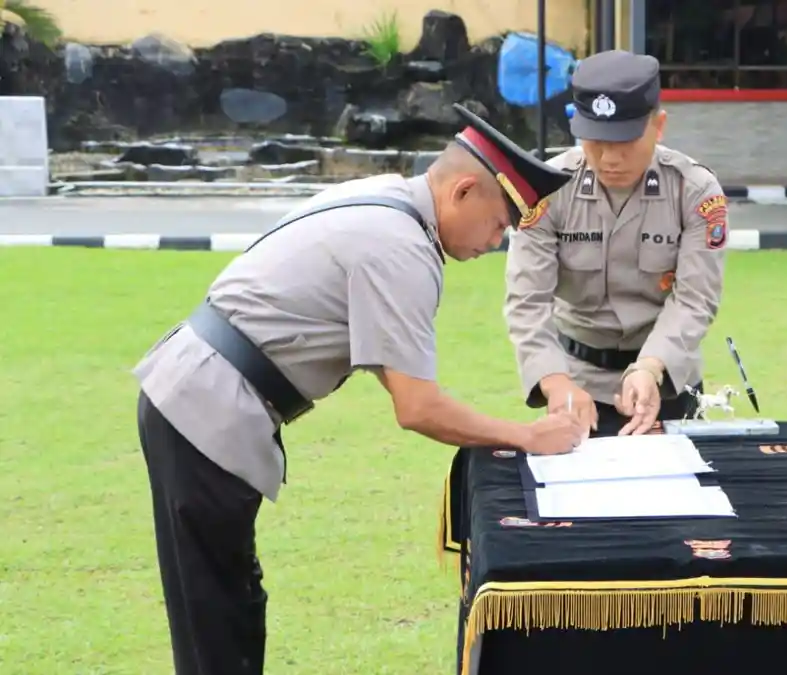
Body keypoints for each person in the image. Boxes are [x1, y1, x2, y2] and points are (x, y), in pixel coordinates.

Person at [132, 103, 587, 675]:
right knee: (215, 615)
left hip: (198, 389)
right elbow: (416, 406)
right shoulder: (401, 248)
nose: (497, 241)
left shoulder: (387, 200)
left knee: (228, 601)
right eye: (500, 223)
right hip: (206, 407)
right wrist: (527, 436)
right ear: (464, 190)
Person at [504, 50, 728, 437]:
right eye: (595, 141)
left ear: (659, 127)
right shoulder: (547, 189)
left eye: (625, 142)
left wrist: (650, 367)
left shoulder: (694, 190)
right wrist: (555, 382)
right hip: (576, 385)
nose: (609, 158)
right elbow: (527, 301)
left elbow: (695, 298)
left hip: (666, 380)